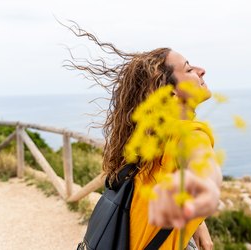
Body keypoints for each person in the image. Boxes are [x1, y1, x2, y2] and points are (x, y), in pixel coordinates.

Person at [68, 23, 222, 250]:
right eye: (188, 69)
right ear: (170, 90)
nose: (201, 70)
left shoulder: (149, 140)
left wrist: (199, 225)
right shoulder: (191, 136)